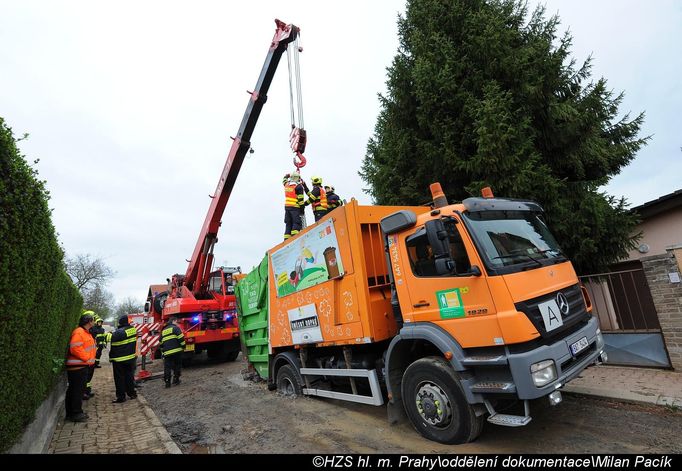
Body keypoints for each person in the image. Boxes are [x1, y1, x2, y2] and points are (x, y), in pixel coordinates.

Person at [64, 313, 96, 422]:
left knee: (74, 390)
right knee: (77, 391)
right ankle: (76, 413)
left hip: (80, 366)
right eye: (93, 320)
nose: (94, 322)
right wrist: (87, 358)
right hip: (78, 367)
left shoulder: (85, 332)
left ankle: (71, 413)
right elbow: (75, 347)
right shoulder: (79, 332)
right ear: (88, 321)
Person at [108, 315, 138, 403]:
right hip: (130, 358)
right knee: (129, 376)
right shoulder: (133, 330)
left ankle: (121, 397)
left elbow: (112, 343)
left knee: (119, 379)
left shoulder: (118, 333)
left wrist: (111, 358)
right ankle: (132, 393)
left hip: (119, 360)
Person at [159, 316, 186, 388]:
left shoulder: (163, 330)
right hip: (177, 351)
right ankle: (176, 379)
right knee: (177, 365)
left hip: (167, 353)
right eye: (176, 322)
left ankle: (167, 383)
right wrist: (183, 346)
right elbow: (181, 338)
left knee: (167, 367)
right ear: (173, 321)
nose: (177, 324)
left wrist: (163, 349)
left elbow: (160, 342)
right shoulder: (175, 328)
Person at [283, 171, 306, 240]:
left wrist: (287, 176)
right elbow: (301, 201)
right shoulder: (299, 187)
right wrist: (302, 210)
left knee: (288, 223)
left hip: (287, 207)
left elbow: (284, 180)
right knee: (296, 222)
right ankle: (294, 237)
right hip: (295, 207)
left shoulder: (287, 184)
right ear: (297, 178)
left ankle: (286, 239)